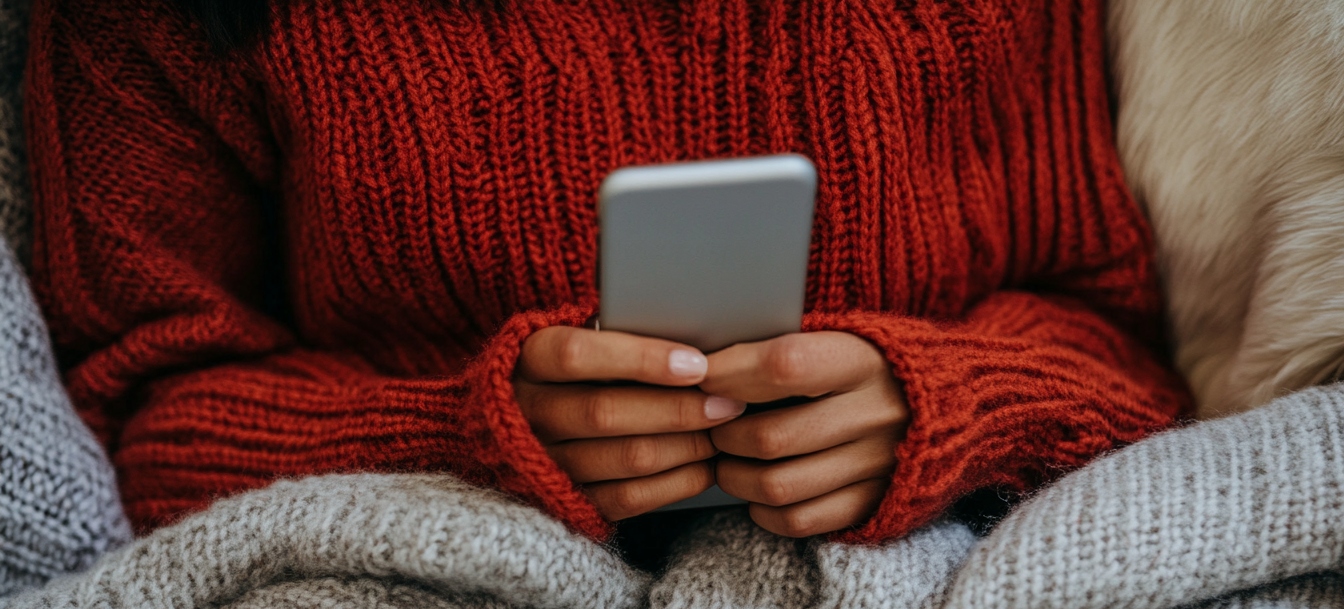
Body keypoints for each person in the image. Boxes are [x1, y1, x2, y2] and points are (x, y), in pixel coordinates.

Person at [25, 0, 1189, 548]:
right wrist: (465, 438)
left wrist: (947, 399)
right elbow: (148, 423)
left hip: (937, 566)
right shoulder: (171, 23)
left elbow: (1129, 353)